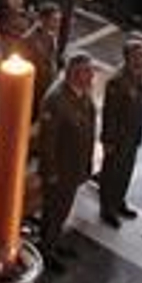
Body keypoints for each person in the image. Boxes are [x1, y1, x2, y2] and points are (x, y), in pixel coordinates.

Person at [36, 54, 97, 271]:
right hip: (59, 170)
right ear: (74, 73)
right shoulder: (56, 100)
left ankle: (53, 241)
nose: (92, 76)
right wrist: (51, 172)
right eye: (87, 71)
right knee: (53, 211)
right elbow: (47, 141)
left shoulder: (82, 93)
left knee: (62, 210)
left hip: (74, 166)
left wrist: (88, 161)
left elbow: (89, 127)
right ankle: (46, 250)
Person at [98, 39, 142, 229]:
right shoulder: (117, 81)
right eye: (138, 56)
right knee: (112, 173)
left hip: (132, 136)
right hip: (118, 138)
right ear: (128, 58)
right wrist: (108, 140)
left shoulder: (139, 75)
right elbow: (109, 113)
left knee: (126, 171)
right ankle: (107, 208)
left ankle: (119, 201)